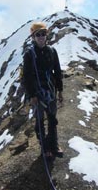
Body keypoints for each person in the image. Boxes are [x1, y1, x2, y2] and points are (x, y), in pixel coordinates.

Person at [23, 22, 63, 158]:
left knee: (52, 119)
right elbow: (26, 77)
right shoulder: (29, 54)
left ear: (46, 35)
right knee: (39, 122)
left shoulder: (52, 51)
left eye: (43, 34)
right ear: (33, 37)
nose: (41, 37)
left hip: (51, 90)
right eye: (37, 34)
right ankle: (45, 148)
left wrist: (60, 90)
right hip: (37, 93)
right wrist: (32, 95)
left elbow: (57, 71)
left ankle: (54, 145)